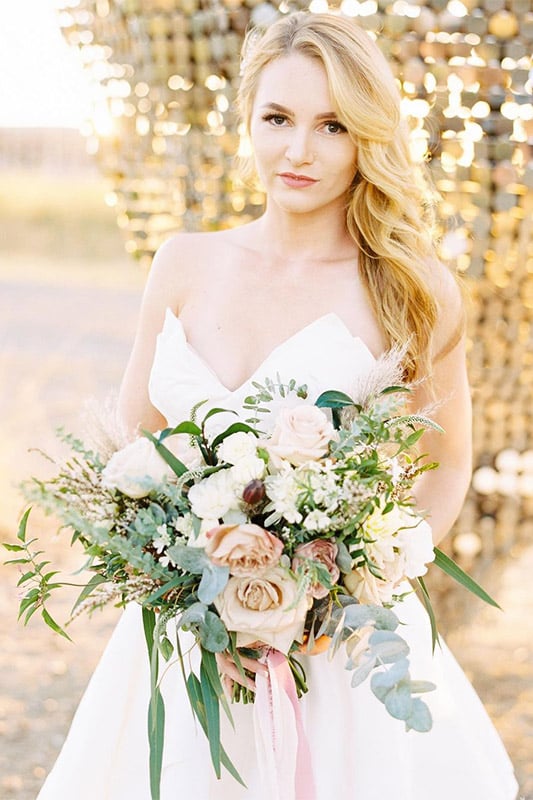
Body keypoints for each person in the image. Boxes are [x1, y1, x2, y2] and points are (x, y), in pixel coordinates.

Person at [37, 11, 518, 800]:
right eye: (277, 119)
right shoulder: (185, 262)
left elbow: (446, 461)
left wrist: (350, 582)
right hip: (189, 638)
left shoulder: (411, 286)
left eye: (331, 125)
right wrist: (185, 582)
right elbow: (134, 449)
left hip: (340, 649)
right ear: (248, 121)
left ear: (367, 134)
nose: (298, 151)